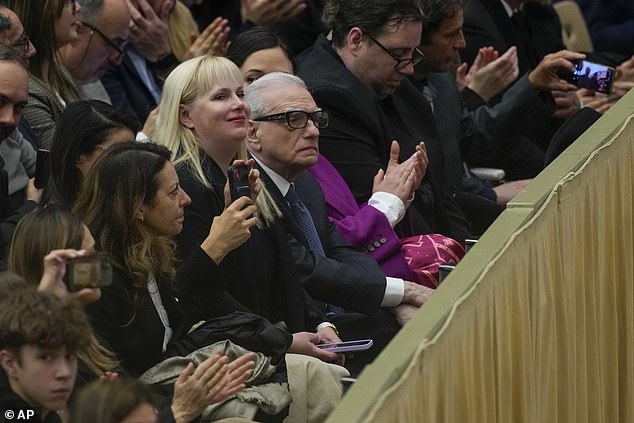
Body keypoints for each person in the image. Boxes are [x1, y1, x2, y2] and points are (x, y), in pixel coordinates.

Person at [228, 27, 464, 285]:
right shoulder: (244, 183)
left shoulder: (309, 170)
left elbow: (335, 246)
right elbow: (312, 263)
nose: (274, 88)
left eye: (283, 77)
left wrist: (395, 197)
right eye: (254, 79)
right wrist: (386, 204)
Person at [245, 72, 438, 375]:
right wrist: (402, 292)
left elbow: (344, 252)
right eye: (294, 119)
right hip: (286, 338)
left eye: (314, 118)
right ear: (253, 133)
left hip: (331, 322)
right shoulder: (251, 191)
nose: (311, 131)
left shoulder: (306, 184)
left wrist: (390, 297)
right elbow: (304, 269)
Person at [295, 0, 472, 244]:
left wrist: (464, 247)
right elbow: (381, 216)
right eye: (399, 54)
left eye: (413, 53)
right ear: (356, 40)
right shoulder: (327, 97)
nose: (409, 68)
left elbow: (439, 189)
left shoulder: (391, 81)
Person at [0, 290, 92, 423]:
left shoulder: (43, 414)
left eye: (69, 356)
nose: (65, 373)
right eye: (46, 357)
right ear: (10, 363)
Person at [6, 0, 82, 148]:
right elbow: (59, 156)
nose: (78, 8)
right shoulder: (24, 91)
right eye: (67, 3)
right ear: (42, 14)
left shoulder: (59, 72)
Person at [41, 100, 140, 208]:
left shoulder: (127, 202)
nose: (131, 163)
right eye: (118, 152)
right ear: (78, 156)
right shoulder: (58, 221)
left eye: (132, 152)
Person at [0, 45, 38, 267]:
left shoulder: (11, 134)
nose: (10, 119)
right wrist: (31, 205)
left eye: (18, 107)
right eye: (0, 102)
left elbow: (42, 174)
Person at [58, 0, 131, 98]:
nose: (117, 60)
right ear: (77, 30)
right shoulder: (38, 93)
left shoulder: (93, 87)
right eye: (112, 44)